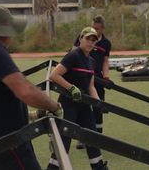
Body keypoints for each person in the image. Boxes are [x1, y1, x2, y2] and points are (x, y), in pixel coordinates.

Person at [0, 5, 61, 170]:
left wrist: (32, 114)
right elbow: (26, 92)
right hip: (8, 142)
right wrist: (54, 106)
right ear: (2, 31)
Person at [47, 27, 108, 170]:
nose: (90, 43)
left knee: (92, 138)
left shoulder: (92, 61)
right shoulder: (73, 56)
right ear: (81, 39)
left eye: (93, 40)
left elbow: (91, 86)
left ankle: (98, 167)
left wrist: (98, 102)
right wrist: (71, 88)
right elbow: (54, 75)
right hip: (68, 105)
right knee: (64, 140)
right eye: (87, 39)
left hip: (84, 106)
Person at [72, 15, 112, 149]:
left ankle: (98, 138)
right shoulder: (83, 36)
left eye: (97, 29)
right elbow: (72, 53)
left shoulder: (106, 43)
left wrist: (106, 76)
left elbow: (105, 60)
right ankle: (82, 138)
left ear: (103, 29)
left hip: (97, 78)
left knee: (98, 107)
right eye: (93, 27)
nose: (94, 30)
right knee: (82, 107)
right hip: (82, 77)